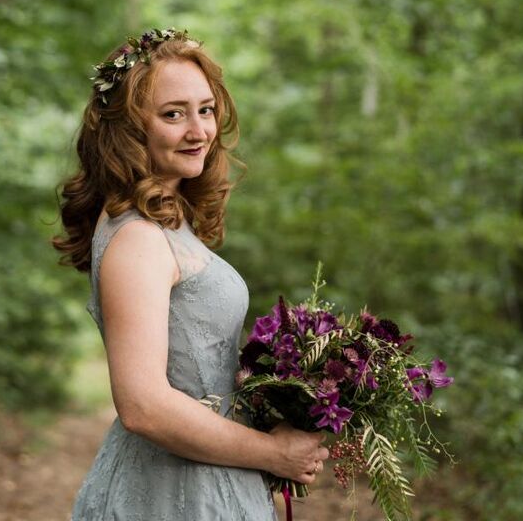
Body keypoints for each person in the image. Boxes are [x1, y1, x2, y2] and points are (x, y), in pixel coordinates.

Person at [53, 28, 329, 520]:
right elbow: (142, 404)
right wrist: (274, 454)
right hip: (170, 494)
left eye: (205, 109)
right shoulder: (137, 236)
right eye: (172, 114)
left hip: (208, 473)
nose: (199, 130)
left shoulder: (163, 219)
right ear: (129, 128)